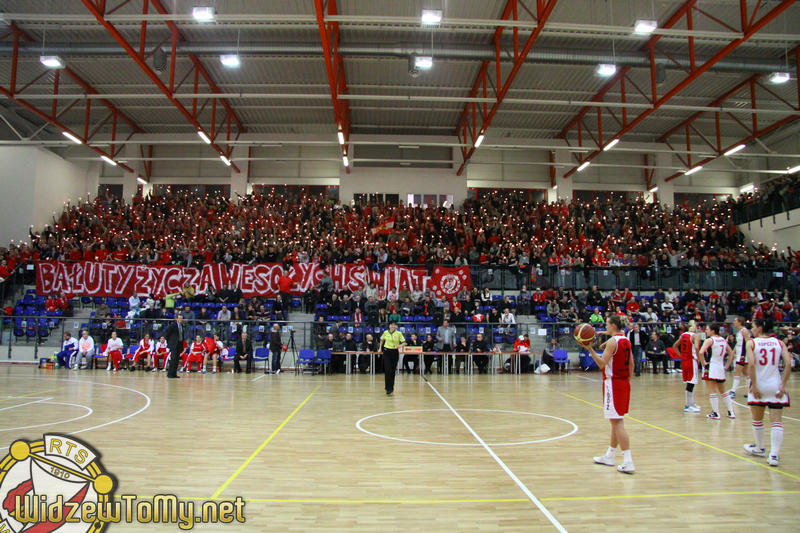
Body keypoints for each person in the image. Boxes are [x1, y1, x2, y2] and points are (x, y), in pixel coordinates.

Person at [580, 315, 635, 474]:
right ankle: (610, 455)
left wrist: (590, 348)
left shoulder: (612, 342)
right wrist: (602, 333)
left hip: (613, 383)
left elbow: (601, 364)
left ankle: (628, 461)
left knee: (617, 423)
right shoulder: (625, 340)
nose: (606, 326)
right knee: (615, 421)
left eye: (607, 325)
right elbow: (631, 364)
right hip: (624, 382)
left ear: (612, 325)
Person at [743, 318, 792, 467]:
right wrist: (783, 385)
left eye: (753, 326)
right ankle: (774, 455)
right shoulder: (779, 343)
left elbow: (751, 364)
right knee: (776, 421)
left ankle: (759, 448)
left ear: (759, 328)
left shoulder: (752, 343)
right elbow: (789, 364)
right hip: (775, 385)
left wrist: (755, 385)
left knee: (757, 419)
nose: (751, 328)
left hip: (760, 385)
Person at [698, 323, 736, 420]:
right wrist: (727, 366)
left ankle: (716, 413)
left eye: (707, 329)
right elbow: (732, 354)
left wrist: (703, 364)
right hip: (720, 367)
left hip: (711, 366)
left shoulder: (710, 340)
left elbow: (701, 352)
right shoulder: (723, 340)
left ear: (713, 330)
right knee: (723, 391)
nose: (706, 331)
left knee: (712, 391)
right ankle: (731, 412)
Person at [379, 322, 406, 395]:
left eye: (394, 325)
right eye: (392, 325)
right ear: (389, 326)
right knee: (387, 370)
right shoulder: (385, 332)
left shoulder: (399, 333)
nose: (393, 326)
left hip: (394, 352)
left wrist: (400, 345)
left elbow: (404, 342)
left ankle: (391, 387)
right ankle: (387, 388)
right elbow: (382, 340)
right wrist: (380, 348)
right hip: (387, 351)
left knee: (392, 371)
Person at [728, 316, 751, 399]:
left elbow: (748, 341)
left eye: (735, 320)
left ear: (740, 322)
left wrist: (747, 354)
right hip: (740, 354)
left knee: (736, 372)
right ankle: (750, 391)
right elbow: (738, 344)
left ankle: (733, 391)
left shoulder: (744, 331)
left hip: (743, 355)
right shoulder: (739, 331)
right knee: (746, 373)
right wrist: (733, 352)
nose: (734, 322)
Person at [163, 314, 186, 379]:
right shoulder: (173, 325)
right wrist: (170, 342)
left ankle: (174, 374)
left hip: (179, 344)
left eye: (181, 318)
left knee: (176, 360)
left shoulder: (181, 326)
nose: (180, 320)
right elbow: (167, 334)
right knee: (173, 360)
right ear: (176, 319)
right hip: (174, 345)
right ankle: (170, 374)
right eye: (179, 318)